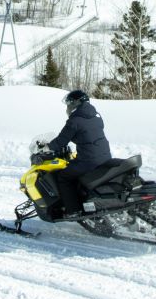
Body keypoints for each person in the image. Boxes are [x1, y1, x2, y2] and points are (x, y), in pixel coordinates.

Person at [47, 89, 111, 217]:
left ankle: (73, 210)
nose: (68, 107)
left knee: (64, 177)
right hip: (105, 157)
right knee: (73, 168)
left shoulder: (74, 120)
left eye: (69, 103)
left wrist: (47, 148)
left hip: (89, 161)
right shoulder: (96, 115)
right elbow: (88, 134)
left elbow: (61, 141)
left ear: (76, 103)